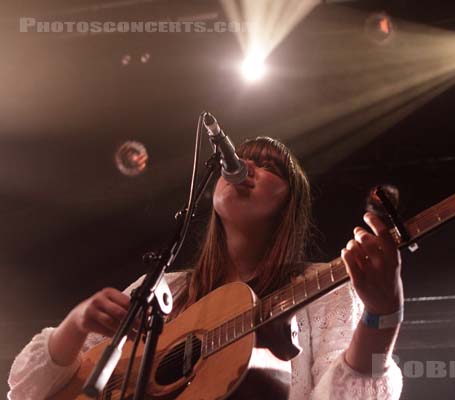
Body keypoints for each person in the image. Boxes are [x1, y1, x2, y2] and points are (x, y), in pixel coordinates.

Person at [8, 137, 404, 399]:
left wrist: (382, 317)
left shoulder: (324, 289)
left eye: (269, 168)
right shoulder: (164, 290)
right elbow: (28, 391)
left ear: (291, 204)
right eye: (241, 160)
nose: (244, 168)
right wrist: (76, 323)